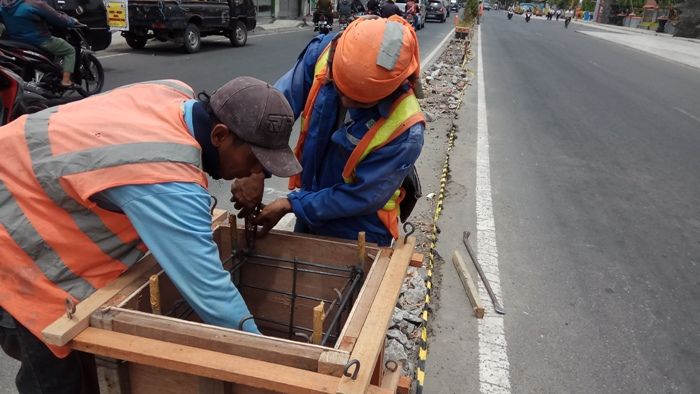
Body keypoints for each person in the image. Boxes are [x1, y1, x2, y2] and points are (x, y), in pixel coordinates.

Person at [0, 76, 300, 393]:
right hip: (14, 251)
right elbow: (213, 295)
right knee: (56, 381)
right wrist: (277, 365)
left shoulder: (173, 93)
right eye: (254, 160)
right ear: (219, 135)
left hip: (25, 182)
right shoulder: (167, 178)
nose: (257, 172)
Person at [232, 16, 424, 247]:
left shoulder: (406, 131)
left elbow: (362, 196)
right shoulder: (324, 54)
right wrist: (254, 171)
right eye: (339, 88)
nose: (346, 101)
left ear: (389, 90)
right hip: (311, 204)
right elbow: (275, 110)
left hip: (360, 227)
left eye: (360, 101)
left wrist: (291, 204)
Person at [0, 0, 78, 87]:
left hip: (17, 42)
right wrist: (71, 21)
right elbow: (59, 19)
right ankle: (66, 80)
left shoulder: (3, 6)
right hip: (39, 40)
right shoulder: (35, 3)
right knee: (69, 50)